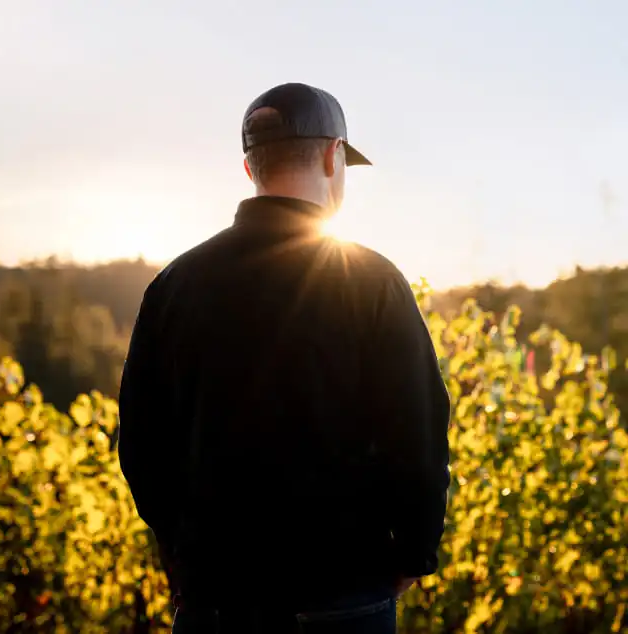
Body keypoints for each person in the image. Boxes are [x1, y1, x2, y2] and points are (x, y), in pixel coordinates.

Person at [118, 82, 451, 634]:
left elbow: (142, 441)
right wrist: (412, 555)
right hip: (343, 595)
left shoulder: (174, 286)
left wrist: (178, 550)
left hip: (214, 599)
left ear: (250, 170)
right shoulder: (372, 281)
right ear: (332, 155)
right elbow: (418, 431)